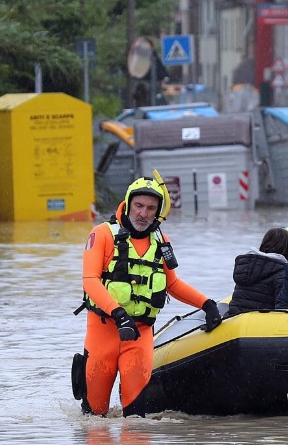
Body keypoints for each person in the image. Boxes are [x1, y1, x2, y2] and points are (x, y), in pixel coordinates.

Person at [74, 175, 222, 417]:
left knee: (136, 420)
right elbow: (90, 280)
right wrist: (119, 314)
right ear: (128, 204)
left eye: (151, 208)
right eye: (139, 206)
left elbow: (172, 284)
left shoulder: (161, 241)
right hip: (104, 331)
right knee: (94, 417)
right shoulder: (101, 234)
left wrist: (206, 304)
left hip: (140, 334)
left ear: (158, 212)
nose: (143, 214)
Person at [227, 227, 288, 316]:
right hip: (261, 321)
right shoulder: (282, 273)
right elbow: (283, 307)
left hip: (234, 317)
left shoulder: (246, 267)